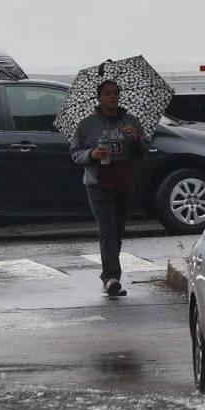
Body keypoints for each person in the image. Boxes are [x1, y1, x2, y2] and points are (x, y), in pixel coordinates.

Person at [70, 80, 148, 297]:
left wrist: (136, 139)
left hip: (124, 182)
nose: (113, 96)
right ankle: (111, 278)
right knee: (107, 230)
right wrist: (91, 154)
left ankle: (111, 275)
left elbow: (144, 151)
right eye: (107, 93)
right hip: (98, 183)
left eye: (115, 93)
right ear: (99, 98)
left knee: (117, 231)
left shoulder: (130, 121)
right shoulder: (88, 124)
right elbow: (75, 152)